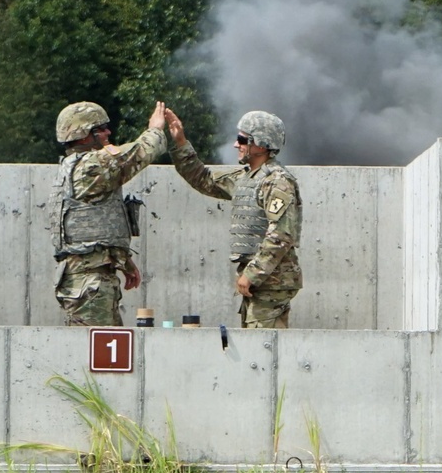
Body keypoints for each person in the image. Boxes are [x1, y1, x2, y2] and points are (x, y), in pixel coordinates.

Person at [165, 109, 302, 328]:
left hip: (271, 281)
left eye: (242, 139)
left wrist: (252, 274)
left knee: (264, 350)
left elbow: (281, 235)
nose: (235, 145)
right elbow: (203, 179)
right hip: (262, 280)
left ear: (260, 144)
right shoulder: (247, 178)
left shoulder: (277, 182)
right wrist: (181, 143)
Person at [47, 100, 167, 326]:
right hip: (89, 282)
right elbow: (142, 152)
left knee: (108, 353)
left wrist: (124, 261)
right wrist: (155, 129)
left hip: (91, 278)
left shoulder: (77, 166)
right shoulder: (90, 167)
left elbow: (94, 231)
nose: (108, 132)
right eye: (100, 129)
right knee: (96, 355)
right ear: (84, 136)